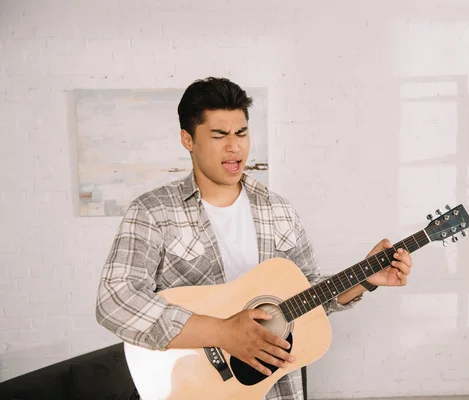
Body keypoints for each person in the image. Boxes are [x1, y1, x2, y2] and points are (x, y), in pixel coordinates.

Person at [95, 77, 413, 400]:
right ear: (187, 140)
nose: (234, 147)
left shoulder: (279, 211)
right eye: (219, 135)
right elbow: (114, 299)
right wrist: (223, 332)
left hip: (277, 391)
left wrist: (365, 278)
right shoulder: (153, 212)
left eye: (242, 133)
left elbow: (308, 297)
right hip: (190, 388)